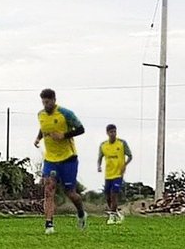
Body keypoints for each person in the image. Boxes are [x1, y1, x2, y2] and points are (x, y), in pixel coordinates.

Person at [33, 88, 87, 234]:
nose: (46, 105)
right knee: (48, 190)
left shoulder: (66, 114)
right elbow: (44, 127)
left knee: (70, 193)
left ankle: (81, 213)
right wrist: (39, 138)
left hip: (68, 158)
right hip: (50, 159)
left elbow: (81, 129)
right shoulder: (41, 114)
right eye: (43, 102)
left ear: (54, 100)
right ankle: (49, 225)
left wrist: (64, 135)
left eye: (48, 102)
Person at [96, 124, 132, 224]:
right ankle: (116, 214)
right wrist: (99, 166)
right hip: (108, 174)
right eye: (111, 132)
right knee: (107, 195)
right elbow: (100, 157)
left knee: (114, 194)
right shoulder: (103, 145)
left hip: (118, 173)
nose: (113, 134)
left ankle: (111, 216)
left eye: (114, 132)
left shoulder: (122, 143)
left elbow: (130, 156)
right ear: (107, 133)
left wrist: (125, 164)